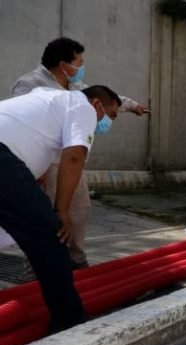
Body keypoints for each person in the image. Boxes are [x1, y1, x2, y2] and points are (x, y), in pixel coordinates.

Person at [10, 37, 147, 271]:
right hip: (41, 157)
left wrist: (132, 105)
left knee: (79, 208)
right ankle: (44, 263)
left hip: (63, 156)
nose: (82, 68)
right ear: (64, 64)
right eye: (79, 62)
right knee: (46, 213)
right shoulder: (30, 84)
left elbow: (105, 97)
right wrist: (32, 169)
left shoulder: (76, 87)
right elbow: (23, 130)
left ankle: (74, 257)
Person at [0, 85, 121, 332]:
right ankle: (69, 326)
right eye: (109, 115)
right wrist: (61, 211)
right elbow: (74, 156)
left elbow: (39, 152)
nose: (106, 122)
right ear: (97, 104)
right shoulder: (82, 107)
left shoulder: (47, 97)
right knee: (51, 235)